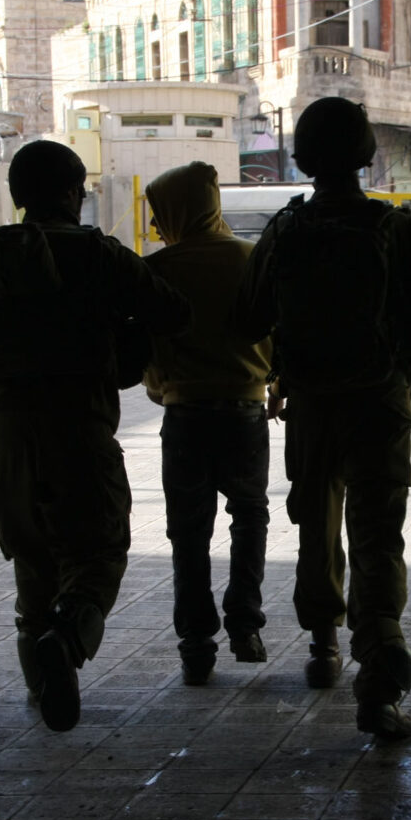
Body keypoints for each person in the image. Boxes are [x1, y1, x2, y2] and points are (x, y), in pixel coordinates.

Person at [0, 140, 192, 732]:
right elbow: (173, 312)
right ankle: (69, 635)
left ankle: (42, 679)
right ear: (73, 193)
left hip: (7, 439)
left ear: (19, 197)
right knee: (98, 552)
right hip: (80, 430)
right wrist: (122, 341)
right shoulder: (100, 256)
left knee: (32, 555)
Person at [235, 96, 411, 740]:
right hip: (378, 407)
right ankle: (380, 683)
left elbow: (245, 321)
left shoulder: (284, 230)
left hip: (311, 407)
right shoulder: (392, 227)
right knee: (378, 534)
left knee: (317, 524)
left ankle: (324, 646)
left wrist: (286, 362)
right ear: (366, 156)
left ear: (302, 159)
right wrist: (401, 375)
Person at [142, 161, 272, 686]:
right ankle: (245, 625)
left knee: (189, 534)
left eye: (158, 214)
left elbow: (149, 354)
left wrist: (164, 386)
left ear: (176, 211)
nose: (155, 226)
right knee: (250, 516)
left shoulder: (158, 270)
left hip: (185, 419)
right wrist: (271, 383)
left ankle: (196, 644)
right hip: (246, 414)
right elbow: (273, 332)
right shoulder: (252, 259)